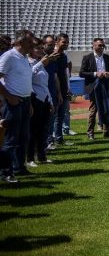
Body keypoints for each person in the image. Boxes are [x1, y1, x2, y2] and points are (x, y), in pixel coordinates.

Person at [0, 30, 35, 176]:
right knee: (11, 139)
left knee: (23, 137)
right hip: (13, 102)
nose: (32, 44)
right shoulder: (8, 57)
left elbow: (26, 81)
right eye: (29, 41)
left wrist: (30, 102)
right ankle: (6, 172)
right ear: (20, 43)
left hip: (25, 101)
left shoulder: (23, 57)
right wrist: (8, 97)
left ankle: (19, 168)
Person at [27, 38, 57, 166]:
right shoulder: (28, 62)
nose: (40, 50)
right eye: (37, 48)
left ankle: (42, 155)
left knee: (43, 130)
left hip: (44, 99)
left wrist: (50, 100)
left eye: (40, 48)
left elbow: (45, 85)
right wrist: (41, 64)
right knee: (33, 130)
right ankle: (30, 158)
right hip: (35, 99)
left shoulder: (40, 63)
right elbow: (28, 76)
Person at [79, 38, 109, 140]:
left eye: (103, 46)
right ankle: (90, 132)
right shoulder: (87, 57)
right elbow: (81, 73)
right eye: (99, 45)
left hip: (106, 86)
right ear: (93, 45)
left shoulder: (107, 58)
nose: (101, 47)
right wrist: (95, 74)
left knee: (108, 108)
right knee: (93, 110)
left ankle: (107, 131)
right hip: (94, 86)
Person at [51, 33, 72, 146]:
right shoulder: (52, 55)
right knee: (52, 116)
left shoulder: (64, 56)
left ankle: (59, 138)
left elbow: (65, 73)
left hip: (63, 89)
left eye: (67, 42)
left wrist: (68, 88)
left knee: (61, 115)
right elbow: (53, 75)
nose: (66, 44)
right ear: (57, 42)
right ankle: (50, 140)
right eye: (64, 42)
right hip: (54, 89)